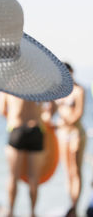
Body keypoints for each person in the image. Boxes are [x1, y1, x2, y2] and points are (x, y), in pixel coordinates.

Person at [0, 92, 44, 217]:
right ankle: (33, 212)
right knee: (34, 178)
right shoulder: (39, 83)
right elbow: (52, 107)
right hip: (36, 128)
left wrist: (12, 118)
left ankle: (11, 211)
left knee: (13, 176)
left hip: (17, 127)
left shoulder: (8, 85)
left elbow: (1, 110)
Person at [54, 62, 86, 217]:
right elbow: (50, 111)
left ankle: (75, 205)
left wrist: (64, 121)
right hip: (62, 134)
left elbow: (78, 114)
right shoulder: (59, 91)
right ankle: (71, 204)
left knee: (76, 170)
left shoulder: (79, 91)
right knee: (67, 172)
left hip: (76, 133)